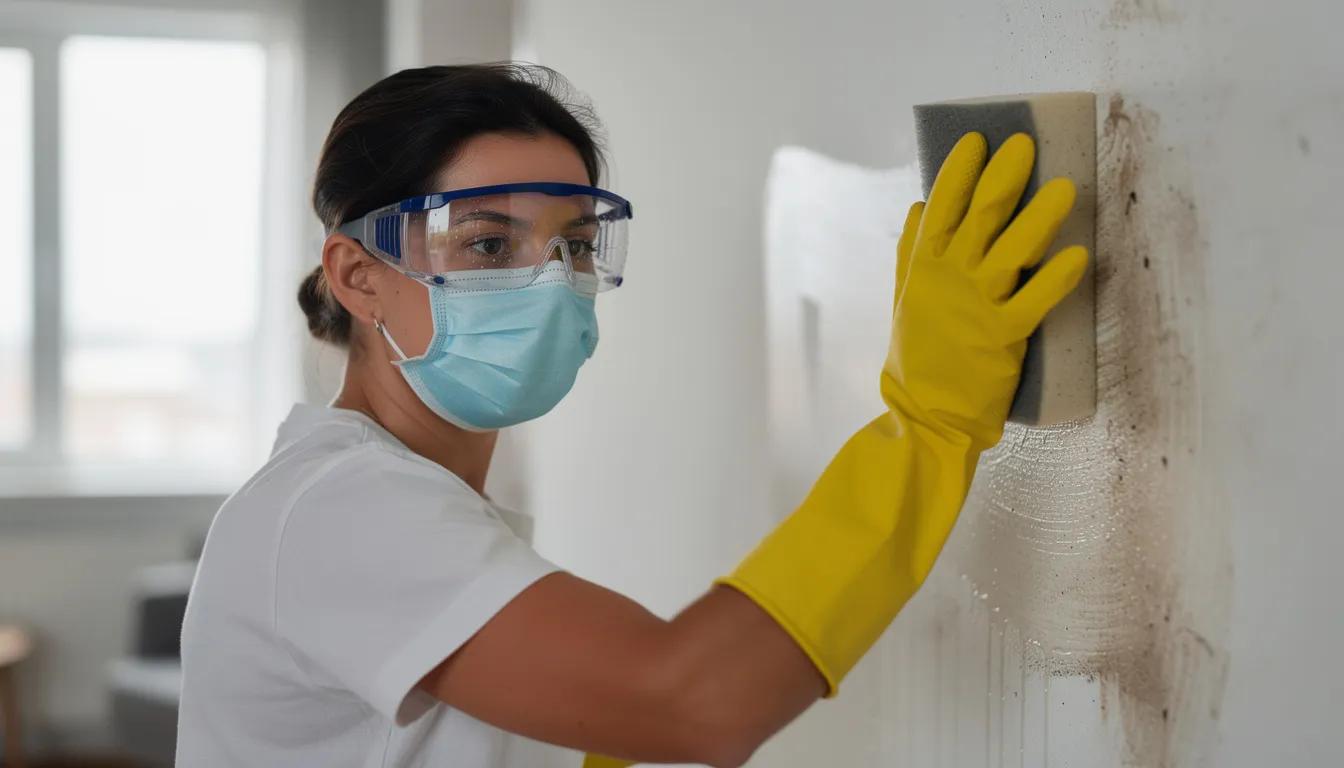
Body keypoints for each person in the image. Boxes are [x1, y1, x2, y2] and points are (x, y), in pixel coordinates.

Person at [176, 63, 1087, 768]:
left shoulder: (409, 506)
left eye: (573, 244)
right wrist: (928, 426)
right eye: (489, 242)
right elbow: (696, 701)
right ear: (357, 275)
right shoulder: (342, 508)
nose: (545, 280)